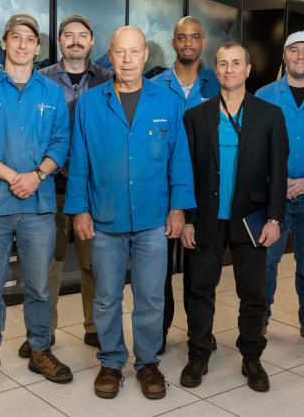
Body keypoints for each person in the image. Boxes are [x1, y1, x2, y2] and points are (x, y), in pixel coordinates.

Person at [64, 26, 195, 400]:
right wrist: (80, 211)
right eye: (120, 53)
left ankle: (147, 362)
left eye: (134, 52)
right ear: (110, 54)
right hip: (105, 218)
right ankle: (110, 362)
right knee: (106, 296)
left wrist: (178, 209)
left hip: (154, 219)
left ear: (145, 56)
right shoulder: (90, 103)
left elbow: (179, 161)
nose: (126, 60)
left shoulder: (167, 102)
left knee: (151, 295)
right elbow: (80, 163)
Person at [0, 14, 72, 390]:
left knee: (40, 285)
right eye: (16, 37)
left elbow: (61, 142)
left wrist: (37, 175)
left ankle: (40, 349)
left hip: (39, 207)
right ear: (4, 43)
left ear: (38, 48)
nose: (23, 44)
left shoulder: (51, 93)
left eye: (30, 39)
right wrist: (14, 177)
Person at [180, 42, 288, 392]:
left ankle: (252, 356)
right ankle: (198, 354)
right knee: (199, 289)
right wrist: (188, 219)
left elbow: (278, 172)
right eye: (223, 63)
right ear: (215, 69)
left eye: (236, 63)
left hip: (252, 219)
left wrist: (274, 219)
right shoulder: (196, 116)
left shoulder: (269, 115)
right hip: (207, 218)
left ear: (248, 69)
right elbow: (187, 172)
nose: (229, 70)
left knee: (253, 293)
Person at [16, 14, 112, 359]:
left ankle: (95, 328)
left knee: (93, 264)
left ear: (91, 41)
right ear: (59, 42)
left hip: (92, 189)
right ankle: (42, 333)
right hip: (49, 187)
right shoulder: (40, 80)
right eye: (68, 35)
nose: (75, 40)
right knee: (48, 264)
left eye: (82, 35)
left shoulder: (108, 80)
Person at [255, 31, 304, 347]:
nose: (300, 56)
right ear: (285, 56)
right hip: (272, 196)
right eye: (293, 50)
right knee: (266, 262)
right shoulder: (264, 95)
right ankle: (259, 320)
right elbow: (255, 146)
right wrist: (275, 183)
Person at [151, 16, 220, 354]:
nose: (188, 43)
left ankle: (199, 333)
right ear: (173, 43)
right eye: (182, 37)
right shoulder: (156, 86)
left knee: (199, 272)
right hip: (162, 192)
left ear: (203, 42)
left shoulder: (219, 85)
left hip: (204, 194)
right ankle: (159, 332)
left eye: (195, 37)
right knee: (158, 272)